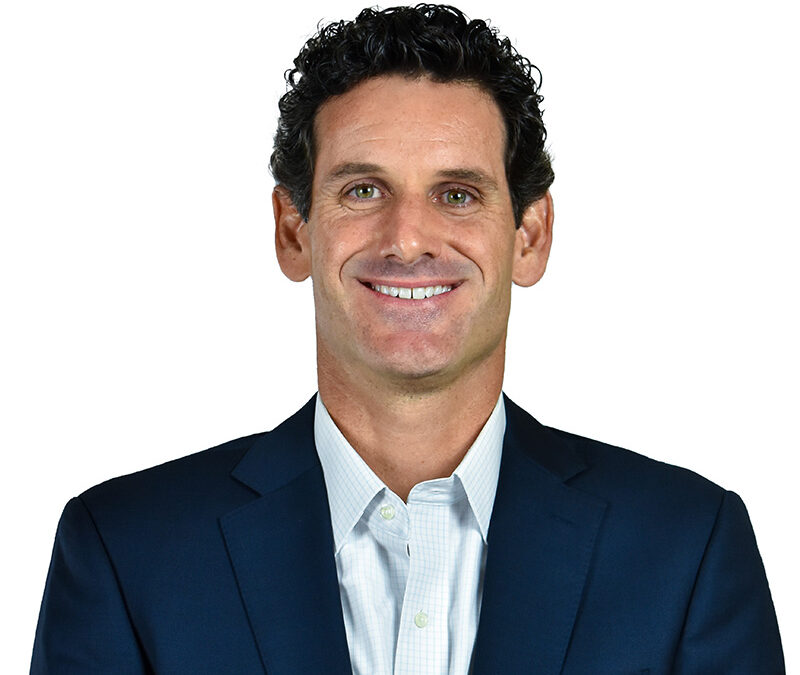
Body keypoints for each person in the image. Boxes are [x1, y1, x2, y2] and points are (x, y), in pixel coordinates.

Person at [31, 4, 784, 673]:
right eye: (363, 190)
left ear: (530, 236)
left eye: (457, 194)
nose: (408, 238)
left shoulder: (687, 550)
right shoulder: (126, 552)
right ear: (294, 231)